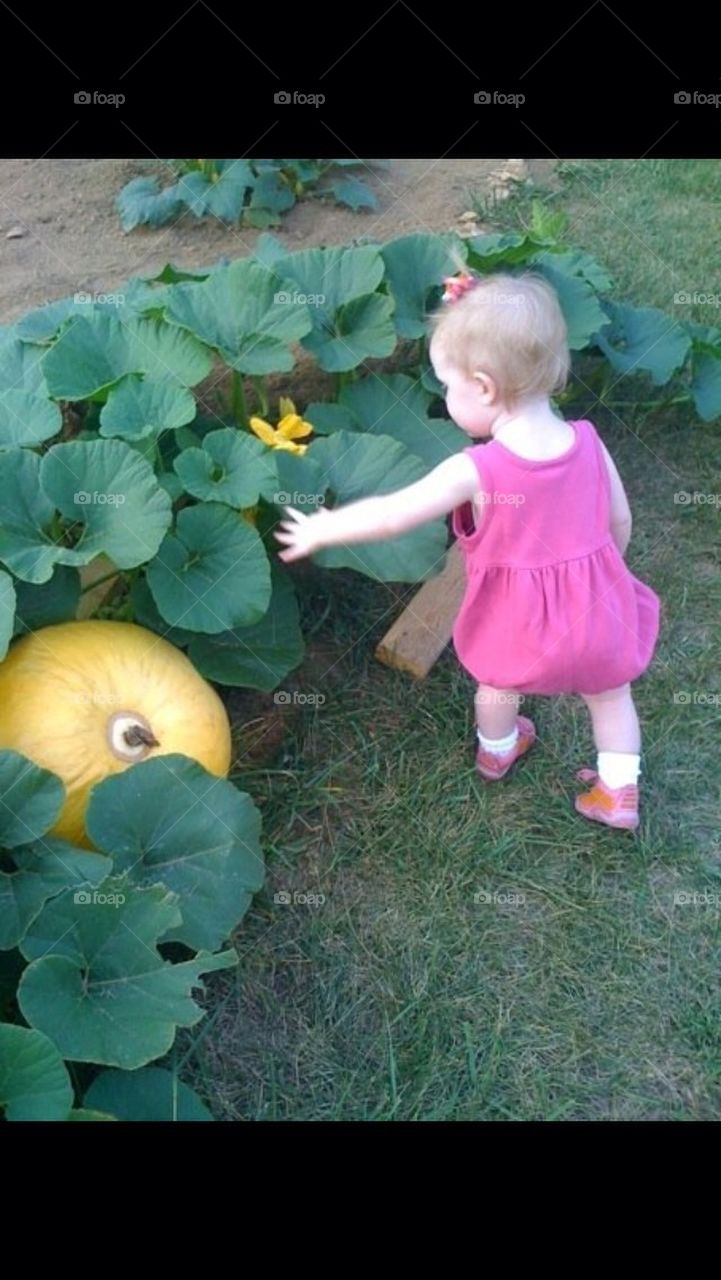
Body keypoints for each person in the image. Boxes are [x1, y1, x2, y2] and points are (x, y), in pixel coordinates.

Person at [274, 269, 661, 831]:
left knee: (496, 685)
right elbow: (619, 519)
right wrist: (605, 579)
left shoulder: (476, 469)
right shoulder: (588, 442)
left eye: (447, 387)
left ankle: (499, 748)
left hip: (518, 627)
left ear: (483, 388)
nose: (447, 398)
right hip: (596, 614)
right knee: (610, 695)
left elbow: (392, 516)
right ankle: (619, 790)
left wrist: (324, 528)